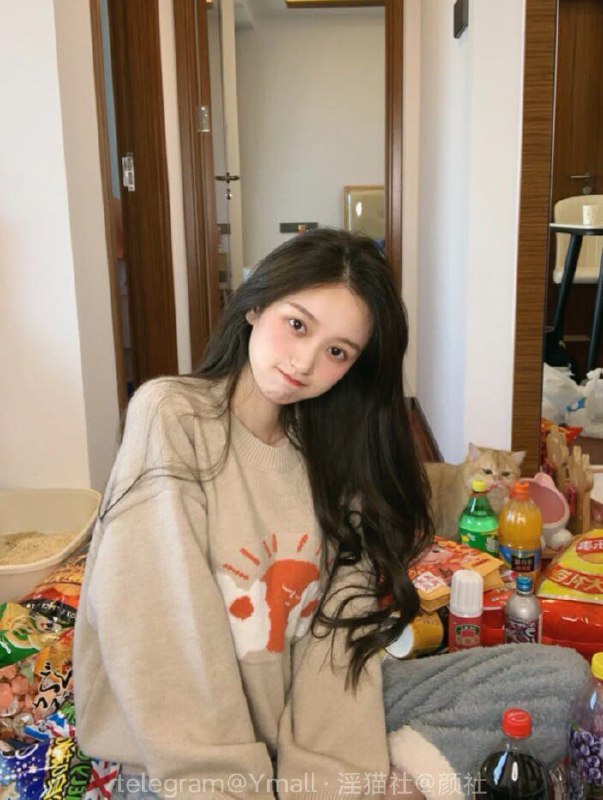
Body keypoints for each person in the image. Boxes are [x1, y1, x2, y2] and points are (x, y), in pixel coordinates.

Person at [73, 228, 433, 799]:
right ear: (256, 306)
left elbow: (337, 642)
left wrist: (328, 786)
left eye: (337, 352)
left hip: (289, 745)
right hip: (177, 769)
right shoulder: (172, 415)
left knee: (548, 678)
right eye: (298, 324)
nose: (305, 362)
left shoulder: (335, 456)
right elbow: (162, 629)